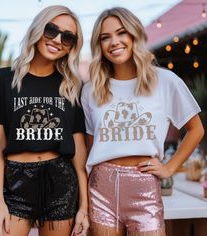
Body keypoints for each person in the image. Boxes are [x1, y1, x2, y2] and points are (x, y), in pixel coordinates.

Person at [81, 7, 204, 236]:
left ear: (134, 34)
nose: (114, 42)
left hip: (145, 185)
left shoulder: (165, 81)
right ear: (99, 45)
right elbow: (90, 146)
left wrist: (170, 168)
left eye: (121, 33)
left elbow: (196, 129)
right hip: (101, 187)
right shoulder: (91, 90)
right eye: (105, 37)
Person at [0, 5, 89, 236]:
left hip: (61, 182)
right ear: (38, 29)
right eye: (52, 30)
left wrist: (84, 208)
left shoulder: (72, 87)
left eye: (67, 37)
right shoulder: (2, 80)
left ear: (71, 47)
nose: (58, 40)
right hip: (16, 183)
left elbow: (79, 154)